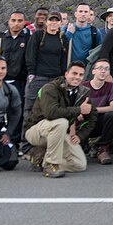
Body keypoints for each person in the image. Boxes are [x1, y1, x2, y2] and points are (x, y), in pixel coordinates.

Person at [24, 61, 96, 178]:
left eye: (80, 75)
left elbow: (92, 117)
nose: (77, 77)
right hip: (36, 130)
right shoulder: (50, 88)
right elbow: (51, 113)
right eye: (74, 73)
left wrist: (80, 135)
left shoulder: (84, 93)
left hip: (60, 133)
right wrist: (78, 110)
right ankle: (50, 165)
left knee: (79, 165)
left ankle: (42, 158)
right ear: (66, 74)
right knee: (61, 122)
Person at [24, 10, 69, 139]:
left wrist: (62, 78)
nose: (53, 23)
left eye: (56, 20)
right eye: (51, 20)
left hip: (55, 79)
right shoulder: (38, 36)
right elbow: (30, 55)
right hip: (39, 76)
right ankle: (27, 142)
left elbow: (63, 59)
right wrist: (31, 73)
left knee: (52, 109)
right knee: (31, 109)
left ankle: (47, 141)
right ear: (46, 22)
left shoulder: (62, 38)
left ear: (61, 23)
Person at [0, 11, 31, 100]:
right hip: (0, 81)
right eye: (13, 20)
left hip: (20, 82)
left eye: (19, 21)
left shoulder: (29, 38)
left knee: (16, 109)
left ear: (24, 22)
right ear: (9, 21)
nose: (16, 23)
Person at [81, 59, 113, 165]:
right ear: (93, 71)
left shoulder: (111, 86)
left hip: (100, 122)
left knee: (111, 115)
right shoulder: (83, 86)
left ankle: (103, 149)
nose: (103, 71)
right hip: (85, 122)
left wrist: (93, 110)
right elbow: (79, 107)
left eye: (107, 69)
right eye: (100, 68)